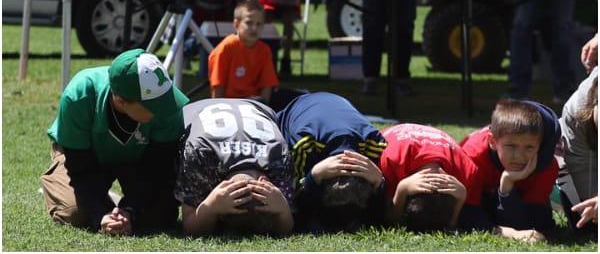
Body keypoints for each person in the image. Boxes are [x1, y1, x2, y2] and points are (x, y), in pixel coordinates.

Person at [40, 48, 189, 235]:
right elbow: (79, 167)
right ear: (120, 100)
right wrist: (101, 213)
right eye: (153, 105)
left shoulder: (167, 103)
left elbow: (158, 166)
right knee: (74, 214)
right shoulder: (80, 94)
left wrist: (130, 210)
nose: (164, 108)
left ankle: (114, 201)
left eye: (164, 99)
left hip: (139, 159)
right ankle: (57, 183)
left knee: (159, 215)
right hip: (86, 157)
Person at [173, 98, 294, 236]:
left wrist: (210, 207)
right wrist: (283, 209)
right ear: (266, 181)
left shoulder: (278, 155)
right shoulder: (202, 153)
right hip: (252, 107)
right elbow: (190, 226)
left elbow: (190, 226)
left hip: (254, 106)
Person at [276, 91, 387, 232]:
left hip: (336, 101)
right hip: (297, 107)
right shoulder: (304, 144)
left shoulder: (376, 144)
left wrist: (379, 182)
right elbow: (292, 201)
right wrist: (313, 175)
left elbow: (381, 214)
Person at [460, 99, 561, 235]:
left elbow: (535, 221)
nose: (519, 156)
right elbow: (467, 216)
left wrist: (506, 186)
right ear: (492, 142)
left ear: (540, 146)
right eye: (511, 146)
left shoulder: (545, 164)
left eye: (529, 147)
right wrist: (508, 233)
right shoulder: (472, 158)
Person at [380, 123, 481, 232]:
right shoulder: (389, 161)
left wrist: (461, 199)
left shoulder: (467, 173)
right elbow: (388, 220)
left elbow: (453, 225)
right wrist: (401, 190)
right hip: (396, 137)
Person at [208, 0, 280, 105]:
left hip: (254, 104)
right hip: (229, 104)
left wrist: (264, 108)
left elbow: (267, 85)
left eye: (259, 24)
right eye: (249, 23)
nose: (254, 28)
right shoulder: (226, 48)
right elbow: (218, 86)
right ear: (236, 24)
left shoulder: (264, 50)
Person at [557, 63, 598, 231]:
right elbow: (590, 201)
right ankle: (553, 188)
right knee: (586, 221)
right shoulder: (576, 111)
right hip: (581, 150)